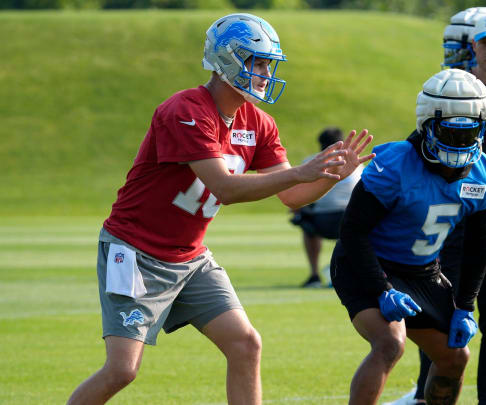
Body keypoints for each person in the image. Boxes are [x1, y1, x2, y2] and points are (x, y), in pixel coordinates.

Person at [66, 13, 374, 405]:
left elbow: (291, 196)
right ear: (228, 59)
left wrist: (330, 176)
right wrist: (300, 171)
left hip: (190, 257)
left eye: (268, 64)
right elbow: (225, 188)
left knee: (246, 343)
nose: (265, 73)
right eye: (257, 62)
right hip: (137, 251)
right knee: (122, 370)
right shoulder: (185, 109)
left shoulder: (258, 122)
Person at [387, 9, 486, 405]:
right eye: (484, 44)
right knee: (437, 316)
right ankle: (427, 396)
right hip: (451, 226)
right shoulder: (456, 91)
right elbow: (419, 144)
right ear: (472, 47)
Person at [331, 68, 486, 405]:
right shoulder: (393, 164)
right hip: (366, 265)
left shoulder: (484, 173)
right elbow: (353, 231)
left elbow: (480, 245)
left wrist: (465, 306)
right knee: (390, 343)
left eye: (469, 135)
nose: (461, 144)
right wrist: (382, 289)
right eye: (451, 134)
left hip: (422, 271)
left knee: (456, 357)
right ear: (428, 126)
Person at [291, 127, 363, 288]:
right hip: (348, 219)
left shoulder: (310, 162)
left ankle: (314, 275)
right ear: (342, 143)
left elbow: (298, 195)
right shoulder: (355, 163)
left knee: (306, 224)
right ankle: (348, 273)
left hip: (320, 221)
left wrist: (297, 213)